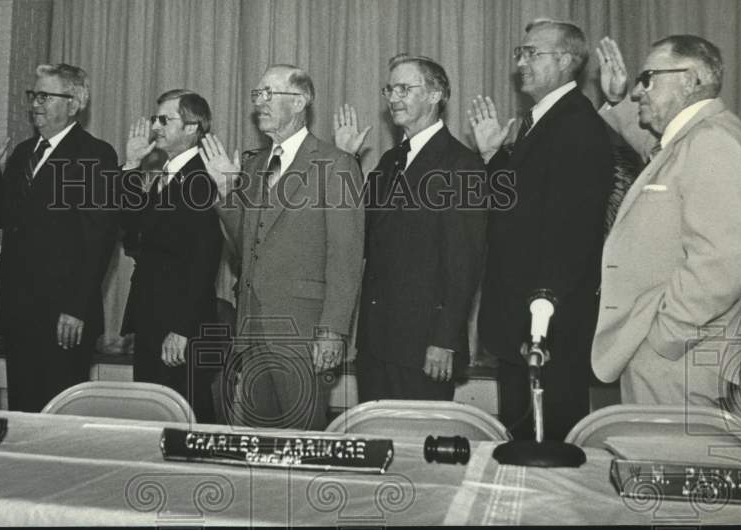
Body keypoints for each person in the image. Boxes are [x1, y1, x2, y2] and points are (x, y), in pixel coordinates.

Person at [592, 36, 741, 405]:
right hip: (675, 354)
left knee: (668, 457)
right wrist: (618, 101)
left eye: (648, 78)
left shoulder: (713, 141)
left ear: (690, 79)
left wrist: (663, 338)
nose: (639, 90)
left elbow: (719, 267)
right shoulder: (696, 137)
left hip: (678, 356)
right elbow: (660, 155)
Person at [468, 20, 614, 441]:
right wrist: (494, 156)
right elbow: (515, 211)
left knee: (547, 452)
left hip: (545, 327)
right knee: (524, 442)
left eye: (533, 53)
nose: (520, 63)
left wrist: (539, 321)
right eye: (520, 52)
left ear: (567, 61)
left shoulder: (576, 126)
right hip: (525, 323)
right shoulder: (544, 122)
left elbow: (571, 236)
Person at [200, 64, 364, 430]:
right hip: (254, 330)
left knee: (303, 443)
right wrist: (227, 191)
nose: (259, 103)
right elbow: (246, 245)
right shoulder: (255, 166)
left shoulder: (335, 164)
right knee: (261, 446)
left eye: (268, 94)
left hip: (305, 334)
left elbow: (345, 257)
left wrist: (333, 331)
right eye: (257, 95)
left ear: (300, 101)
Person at [333, 55, 486, 402]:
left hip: (424, 349)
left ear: (435, 95)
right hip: (375, 345)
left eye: (404, 88)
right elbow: (362, 235)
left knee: (418, 451)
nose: (393, 97)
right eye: (390, 89)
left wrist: (445, 340)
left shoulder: (461, 164)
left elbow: (464, 264)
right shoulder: (390, 161)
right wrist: (347, 163)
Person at [0, 64, 120, 412]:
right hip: (18, 311)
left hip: (63, 315)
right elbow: (3, 218)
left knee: (57, 415)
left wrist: (76, 307)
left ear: (74, 103)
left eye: (44, 96)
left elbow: (99, 237)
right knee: (22, 412)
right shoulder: (24, 153)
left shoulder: (95, 154)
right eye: (33, 96)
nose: (34, 104)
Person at [120, 89, 223, 422]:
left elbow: (205, 259)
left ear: (192, 127)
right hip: (152, 320)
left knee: (188, 421)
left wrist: (182, 329)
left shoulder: (203, 177)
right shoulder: (165, 175)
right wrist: (131, 167)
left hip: (181, 328)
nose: (156, 126)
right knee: (153, 419)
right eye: (155, 119)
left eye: (166, 119)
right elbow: (131, 235)